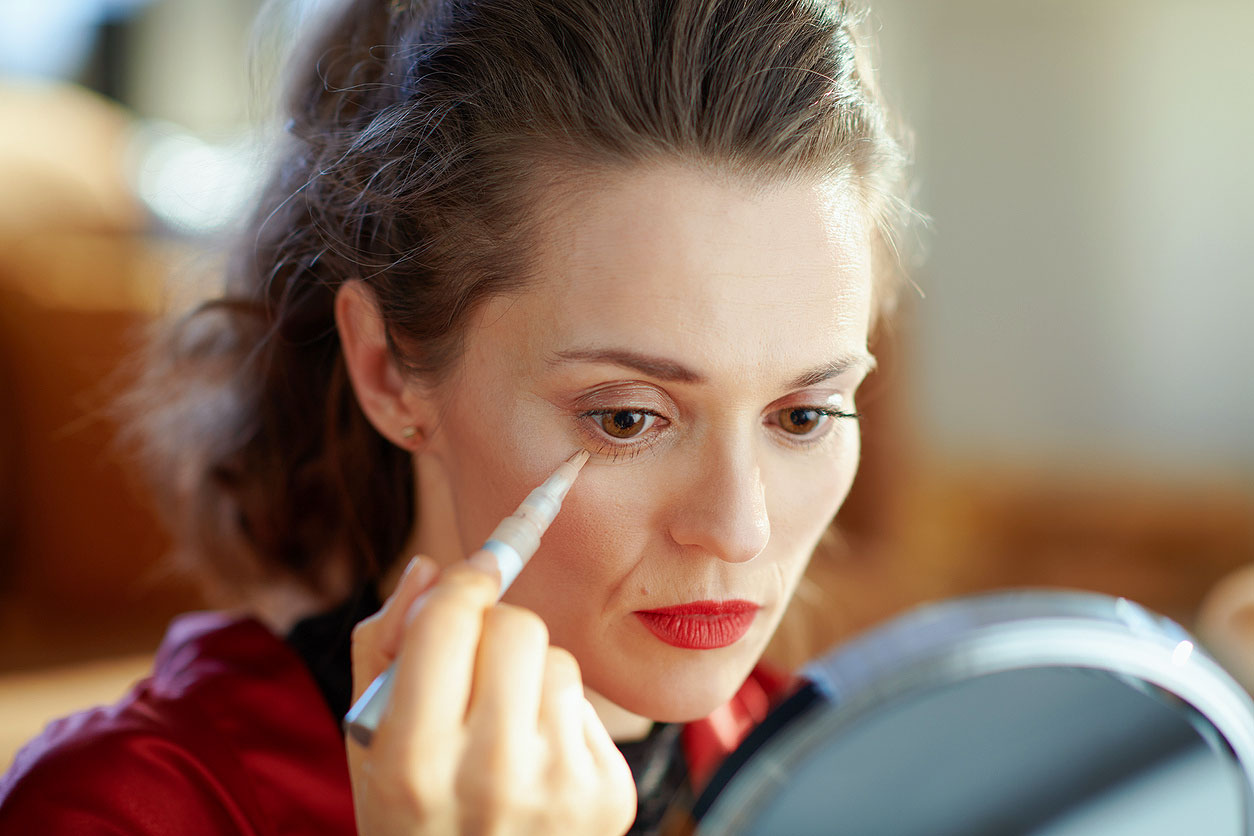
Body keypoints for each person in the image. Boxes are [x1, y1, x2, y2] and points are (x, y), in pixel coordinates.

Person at [0, 0, 912, 832]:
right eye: (628, 419)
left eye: (804, 417)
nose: (739, 530)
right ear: (389, 371)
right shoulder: (129, 810)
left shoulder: (840, 781)